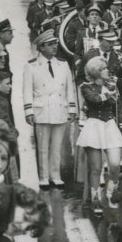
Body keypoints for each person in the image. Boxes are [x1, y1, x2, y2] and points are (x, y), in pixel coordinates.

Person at [22, 29, 77, 190]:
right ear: (41, 47)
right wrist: (29, 111)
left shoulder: (63, 64)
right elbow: (27, 91)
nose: (54, 47)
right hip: (42, 110)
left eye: (55, 44)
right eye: (50, 44)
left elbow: (69, 88)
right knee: (43, 146)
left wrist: (72, 108)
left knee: (57, 146)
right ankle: (44, 177)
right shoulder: (31, 66)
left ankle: (55, 175)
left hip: (60, 109)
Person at [77, 56, 122, 211]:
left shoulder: (112, 85)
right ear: (96, 71)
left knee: (114, 165)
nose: (107, 71)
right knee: (96, 168)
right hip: (94, 126)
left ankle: (111, 191)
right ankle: (96, 199)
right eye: (104, 69)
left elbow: (117, 108)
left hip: (110, 125)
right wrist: (108, 94)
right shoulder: (86, 87)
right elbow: (94, 99)